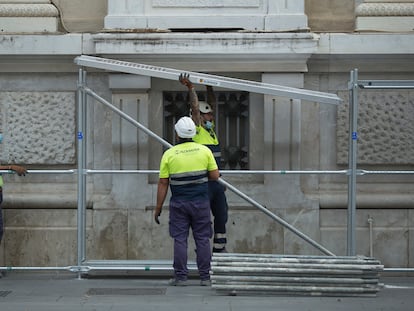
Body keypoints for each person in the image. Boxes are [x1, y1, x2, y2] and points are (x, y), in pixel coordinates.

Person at [154, 116, 219, 286]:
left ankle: (181, 277)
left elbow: (163, 183)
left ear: (177, 134)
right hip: (201, 203)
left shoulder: (169, 154)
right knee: (203, 239)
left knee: (180, 239)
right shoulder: (205, 151)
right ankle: (205, 277)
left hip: (179, 203)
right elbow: (214, 176)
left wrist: (158, 208)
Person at [179, 73, 229, 253]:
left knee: (221, 215)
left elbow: (212, 104)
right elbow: (195, 107)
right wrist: (191, 88)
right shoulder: (197, 129)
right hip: (203, 183)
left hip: (217, 182)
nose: (210, 118)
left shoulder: (211, 131)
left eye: (210, 115)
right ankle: (203, 249)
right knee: (202, 218)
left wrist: (209, 86)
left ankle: (219, 247)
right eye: (207, 115)